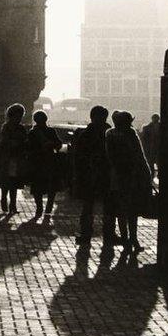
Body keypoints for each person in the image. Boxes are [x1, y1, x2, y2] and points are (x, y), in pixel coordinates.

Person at [105, 110, 153, 254]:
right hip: (132, 177)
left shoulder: (110, 134)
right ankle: (133, 239)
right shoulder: (131, 133)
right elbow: (140, 155)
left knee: (121, 210)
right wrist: (147, 175)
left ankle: (125, 238)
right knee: (133, 210)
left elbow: (109, 156)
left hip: (116, 177)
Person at [74, 105, 118, 247]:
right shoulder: (110, 133)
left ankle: (86, 234)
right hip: (107, 174)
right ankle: (109, 234)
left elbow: (79, 156)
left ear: (92, 117)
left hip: (89, 175)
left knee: (88, 206)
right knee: (109, 206)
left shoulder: (86, 133)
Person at [0, 104, 28, 215]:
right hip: (10, 158)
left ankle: (10, 203)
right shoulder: (11, 127)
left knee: (11, 182)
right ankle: (8, 202)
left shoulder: (7, 126)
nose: (19, 118)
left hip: (11, 157)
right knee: (11, 181)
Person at [27, 110, 63, 218]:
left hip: (37, 162)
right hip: (50, 161)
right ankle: (48, 207)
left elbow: (30, 148)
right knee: (51, 188)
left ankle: (39, 208)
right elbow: (59, 144)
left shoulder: (32, 133)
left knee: (37, 188)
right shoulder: (51, 131)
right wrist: (51, 145)